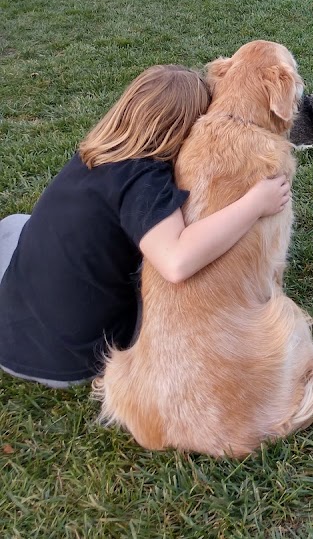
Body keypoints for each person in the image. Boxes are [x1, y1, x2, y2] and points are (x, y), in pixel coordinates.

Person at [0, 63, 290, 388]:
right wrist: (255, 204)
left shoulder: (99, 152)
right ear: (183, 127)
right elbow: (177, 261)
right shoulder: (144, 180)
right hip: (70, 360)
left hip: (10, 332)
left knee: (15, 225)